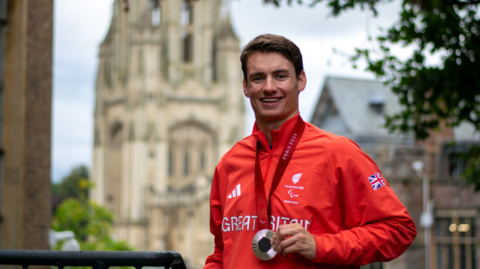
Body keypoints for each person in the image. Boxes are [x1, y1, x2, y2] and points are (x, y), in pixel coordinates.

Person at [203, 34, 416, 269]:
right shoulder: (230, 163)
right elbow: (222, 250)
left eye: (280, 76)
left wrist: (320, 246)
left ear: (301, 81)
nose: (269, 87)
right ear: (245, 87)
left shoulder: (339, 153)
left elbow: (399, 229)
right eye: (258, 78)